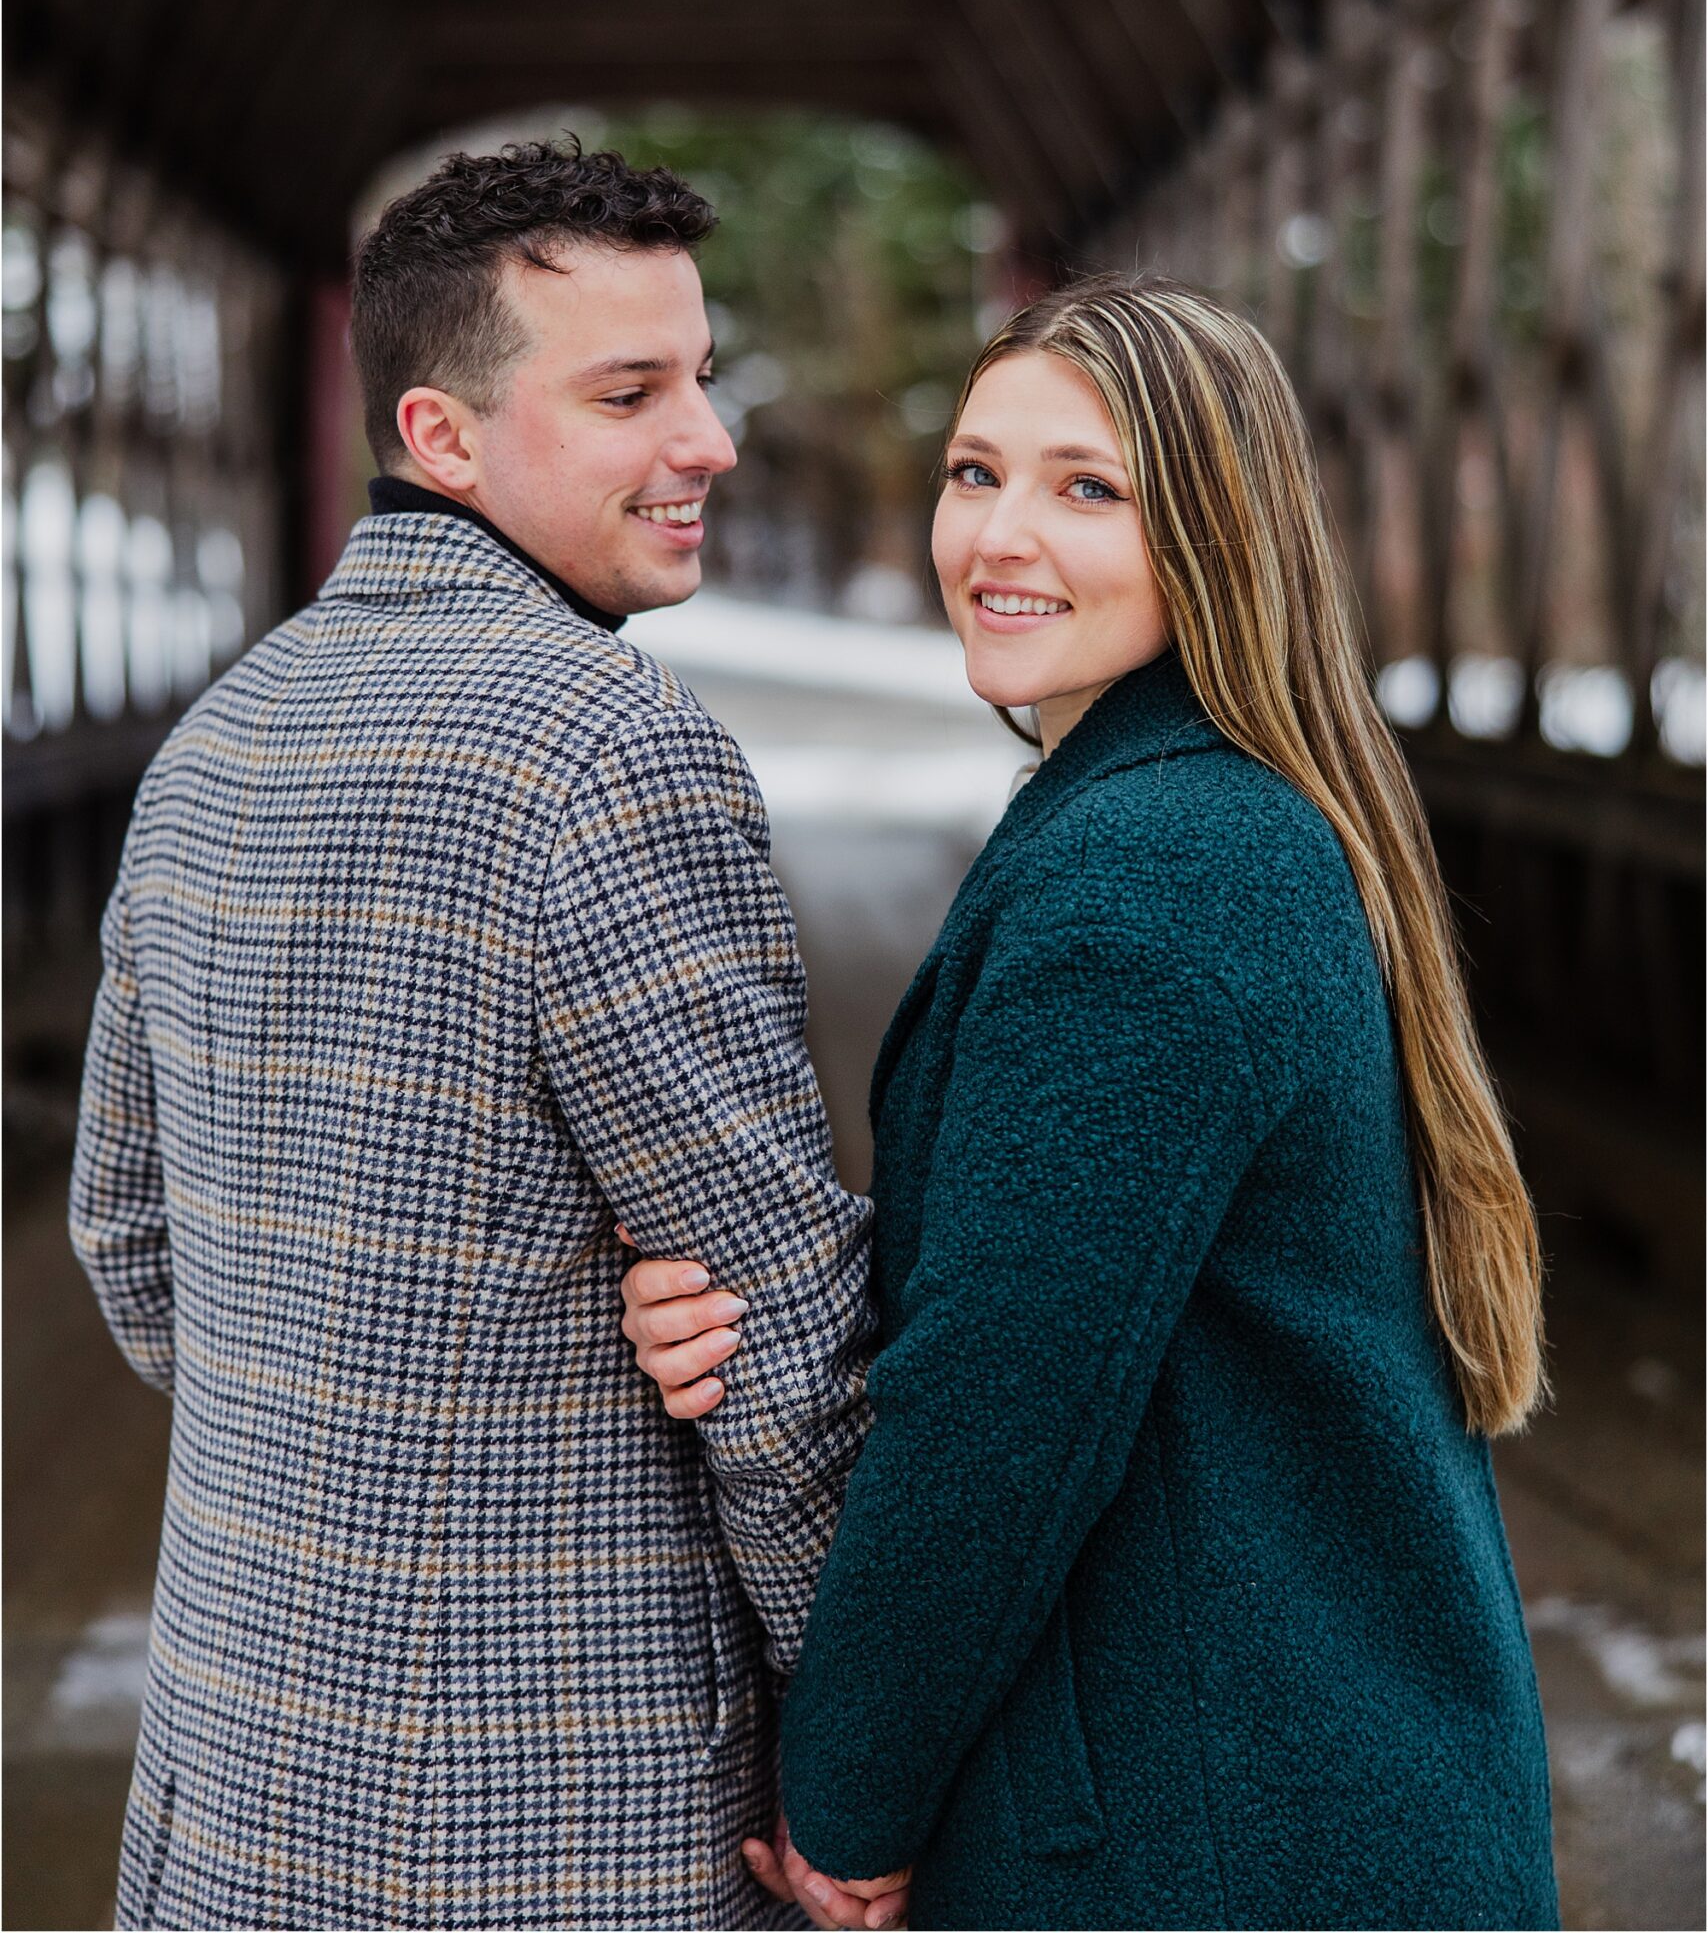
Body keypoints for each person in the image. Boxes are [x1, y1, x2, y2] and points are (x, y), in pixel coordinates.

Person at [622, 273, 1560, 1932]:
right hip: (1310, 1792)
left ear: (1217, 534)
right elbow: (1064, 1267)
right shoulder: (1208, 814)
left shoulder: (1152, 876)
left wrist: (849, 1790)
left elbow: (1003, 1404)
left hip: (1208, 1838)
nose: (999, 536)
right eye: (974, 472)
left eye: (1088, 490)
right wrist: (755, 1307)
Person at [69, 139, 902, 1930]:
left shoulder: (220, 742)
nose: (710, 441)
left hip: (233, 1773)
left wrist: (375, 1404)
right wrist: (877, 1742)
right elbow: (775, 1336)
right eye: (630, 393)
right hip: (558, 1805)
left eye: (702, 377)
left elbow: (132, 1246)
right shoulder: (613, 751)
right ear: (442, 437)